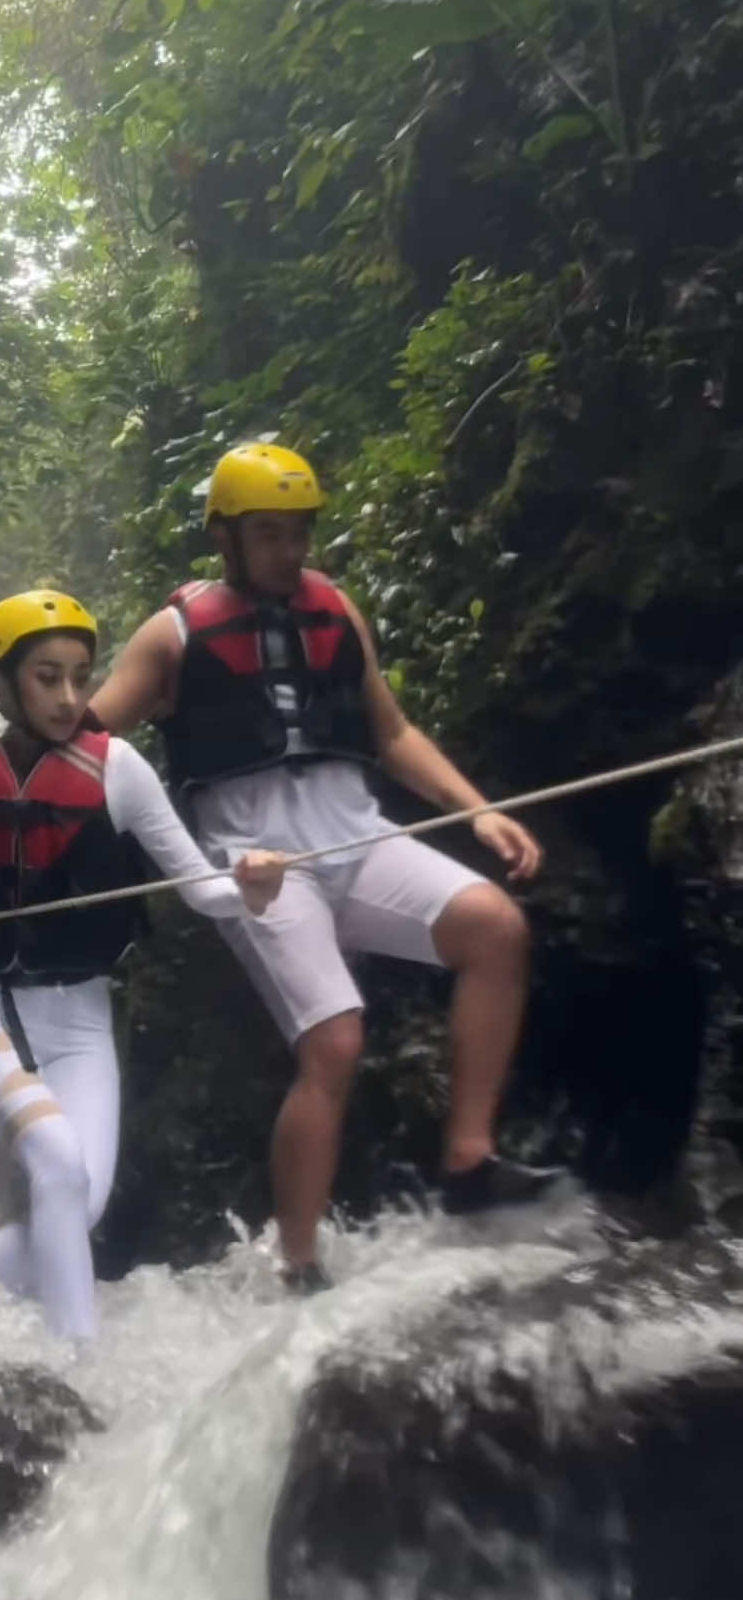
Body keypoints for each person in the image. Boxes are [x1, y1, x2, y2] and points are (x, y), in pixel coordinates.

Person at [89, 442, 561, 1292]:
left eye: (298, 531)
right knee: (335, 1041)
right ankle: (297, 1261)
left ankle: (467, 1160)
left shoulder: (336, 611)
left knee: (495, 928)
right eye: (268, 534)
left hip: (354, 834)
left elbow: (391, 733)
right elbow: (90, 742)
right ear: (226, 539)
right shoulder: (175, 633)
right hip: (256, 860)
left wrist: (477, 808)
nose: (289, 550)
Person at [0, 589, 287, 1339]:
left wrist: (250, 886)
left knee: (78, 1198)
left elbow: (202, 890)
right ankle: (79, 1370)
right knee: (59, 1162)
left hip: (79, 1018)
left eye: (80, 676)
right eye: (46, 677)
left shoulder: (121, 771)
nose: (71, 697)